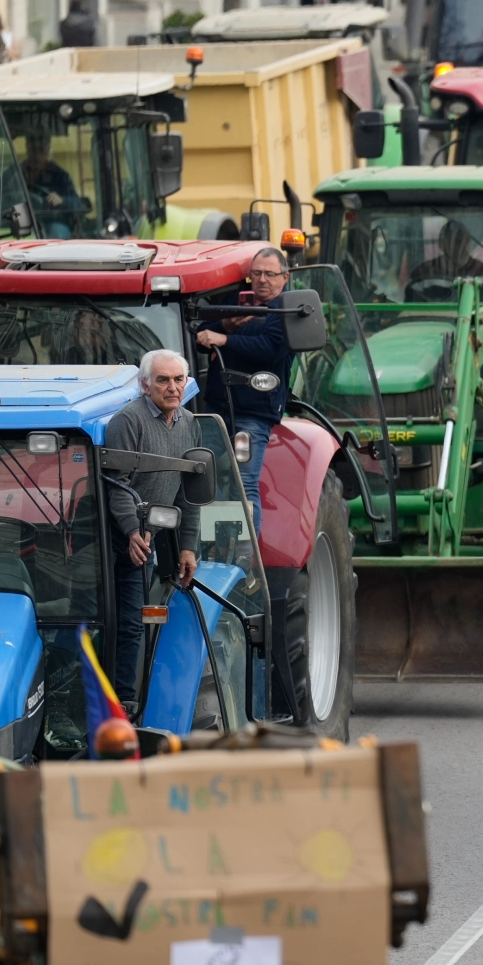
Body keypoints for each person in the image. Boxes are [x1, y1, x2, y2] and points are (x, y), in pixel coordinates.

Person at [104, 350, 202, 704]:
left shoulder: (189, 424)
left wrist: (187, 546)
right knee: (128, 624)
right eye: (163, 380)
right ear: (145, 385)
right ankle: (122, 705)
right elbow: (117, 486)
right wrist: (131, 530)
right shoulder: (128, 422)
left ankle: (133, 701)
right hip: (115, 536)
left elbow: (190, 494)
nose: (172, 387)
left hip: (152, 534)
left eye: (179, 379)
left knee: (140, 622)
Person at [196, 247, 295, 528]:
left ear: (285, 277)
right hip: (216, 409)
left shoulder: (287, 310)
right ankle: (211, 547)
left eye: (270, 274)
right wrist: (225, 324)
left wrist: (223, 339)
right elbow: (199, 333)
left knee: (244, 486)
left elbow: (270, 349)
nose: (262, 280)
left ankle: (244, 561)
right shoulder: (236, 302)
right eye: (256, 273)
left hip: (253, 416)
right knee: (206, 482)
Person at [0, 133, 87, 238]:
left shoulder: (60, 176)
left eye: (41, 150)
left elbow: (79, 205)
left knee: (56, 232)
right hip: (19, 223)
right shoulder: (14, 173)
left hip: (51, 223)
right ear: (27, 148)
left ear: (48, 150)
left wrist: (62, 200)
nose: (36, 156)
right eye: (33, 150)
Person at [406, 219, 483, 300]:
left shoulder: (482, 272)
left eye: (467, 241)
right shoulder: (421, 274)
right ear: (442, 244)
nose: (464, 248)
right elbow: (409, 313)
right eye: (458, 242)